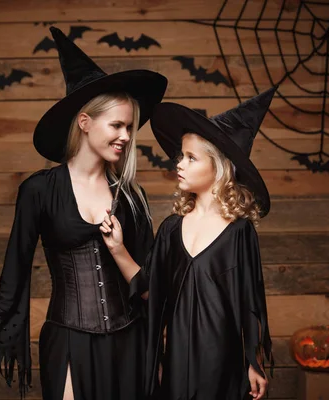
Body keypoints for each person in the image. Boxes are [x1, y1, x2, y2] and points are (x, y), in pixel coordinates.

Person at [0, 26, 168, 400]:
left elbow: (151, 286)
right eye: (117, 125)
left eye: (130, 127)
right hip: (69, 340)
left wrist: (119, 251)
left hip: (132, 342)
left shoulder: (132, 197)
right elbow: (13, 274)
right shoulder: (39, 191)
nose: (126, 136)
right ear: (85, 122)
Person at [100, 88, 276, 400]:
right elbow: (149, 291)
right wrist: (117, 248)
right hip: (178, 359)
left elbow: (250, 301)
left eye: (191, 158)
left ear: (219, 168)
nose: (179, 164)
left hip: (225, 361)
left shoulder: (239, 232)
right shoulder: (171, 229)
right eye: (181, 156)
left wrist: (254, 362)